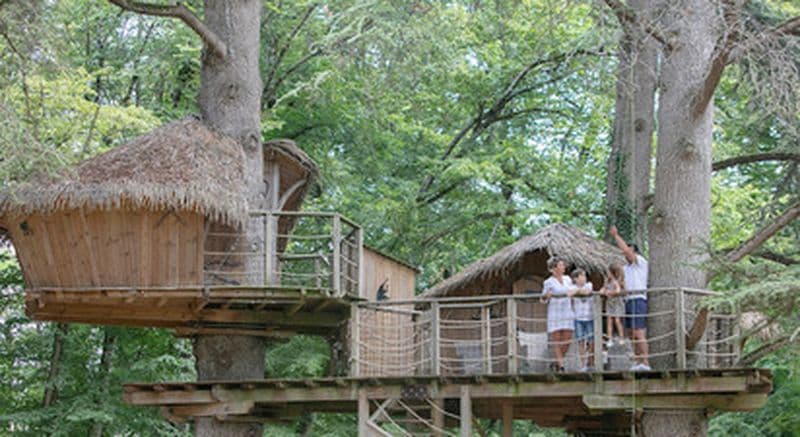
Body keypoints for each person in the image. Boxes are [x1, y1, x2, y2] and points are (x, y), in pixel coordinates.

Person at [610, 225, 651, 371]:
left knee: (639, 331)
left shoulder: (641, 262)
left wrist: (616, 236)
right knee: (631, 333)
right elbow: (623, 286)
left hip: (638, 298)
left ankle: (645, 362)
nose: (625, 254)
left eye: (629, 251)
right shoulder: (625, 269)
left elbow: (626, 251)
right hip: (628, 299)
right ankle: (637, 361)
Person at [542, 257, 575, 372]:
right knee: (557, 340)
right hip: (555, 312)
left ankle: (556, 363)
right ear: (555, 268)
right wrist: (547, 295)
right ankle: (561, 366)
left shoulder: (568, 279)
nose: (564, 267)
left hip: (567, 311)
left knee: (567, 339)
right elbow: (543, 297)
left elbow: (572, 290)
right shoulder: (548, 282)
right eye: (561, 265)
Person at [569, 269, 594, 372]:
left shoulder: (589, 284)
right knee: (580, 341)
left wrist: (578, 291)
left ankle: (590, 362)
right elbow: (569, 293)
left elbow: (587, 291)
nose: (584, 278)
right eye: (582, 276)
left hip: (589, 317)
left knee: (591, 341)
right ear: (576, 279)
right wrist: (578, 291)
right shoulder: (572, 287)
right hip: (578, 318)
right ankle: (583, 364)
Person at [603, 263, 625, 346]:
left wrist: (610, 293)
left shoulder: (616, 282)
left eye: (608, 272)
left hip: (617, 302)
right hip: (610, 303)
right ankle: (609, 339)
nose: (607, 274)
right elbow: (603, 288)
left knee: (617, 320)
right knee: (609, 320)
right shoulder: (607, 281)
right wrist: (604, 292)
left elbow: (618, 291)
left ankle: (621, 337)